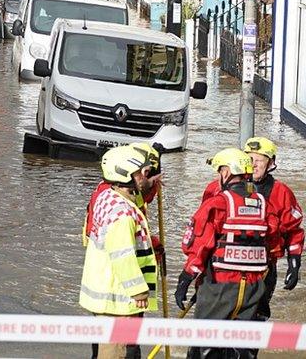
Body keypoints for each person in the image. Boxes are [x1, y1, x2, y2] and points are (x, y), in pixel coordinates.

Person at [177, 148, 277, 359]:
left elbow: (197, 244)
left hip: (219, 287)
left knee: (204, 345)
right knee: (240, 347)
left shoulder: (218, 204)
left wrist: (186, 277)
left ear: (225, 173)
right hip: (252, 288)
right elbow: (274, 242)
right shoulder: (263, 205)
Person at [199, 137, 303, 321]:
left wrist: (294, 264)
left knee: (254, 324)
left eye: (259, 160)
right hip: (220, 268)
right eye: (249, 158)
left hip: (262, 270)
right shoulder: (216, 190)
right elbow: (203, 231)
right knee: (211, 324)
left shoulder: (281, 193)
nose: (253, 164)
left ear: (270, 163)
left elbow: (293, 231)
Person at [80, 145, 158, 359]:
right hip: (119, 300)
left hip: (104, 294)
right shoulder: (123, 216)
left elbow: (134, 202)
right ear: (127, 174)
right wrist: (138, 290)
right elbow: (123, 255)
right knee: (117, 352)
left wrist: (149, 187)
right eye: (143, 172)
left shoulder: (108, 197)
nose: (146, 174)